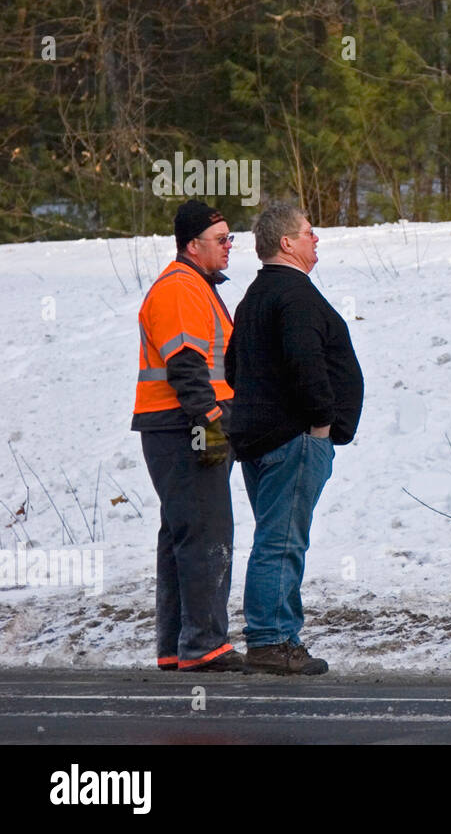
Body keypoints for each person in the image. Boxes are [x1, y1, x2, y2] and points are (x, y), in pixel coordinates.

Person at [226, 203, 363, 675]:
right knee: (282, 541)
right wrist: (321, 422)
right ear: (286, 243)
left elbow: (232, 368)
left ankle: (276, 637)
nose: (316, 238)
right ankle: (272, 642)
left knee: (275, 537)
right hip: (294, 437)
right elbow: (307, 363)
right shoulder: (295, 295)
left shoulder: (253, 298)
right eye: (309, 232)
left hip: (261, 437)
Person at [132, 199, 244, 672]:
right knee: (205, 532)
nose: (229, 247)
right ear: (192, 245)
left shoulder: (193, 285)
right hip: (187, 425)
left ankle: (178, 646)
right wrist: (212, 416)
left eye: (229, 238)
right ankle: (203, 646)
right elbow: (184, 362)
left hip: (176, 424)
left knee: (184, 532)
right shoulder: (181, 288)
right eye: (221, 240)